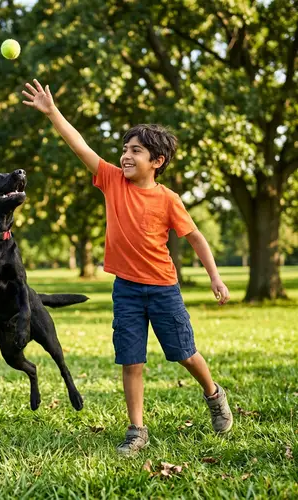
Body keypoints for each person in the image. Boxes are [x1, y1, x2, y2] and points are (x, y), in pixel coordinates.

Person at [22, 79, 233, 455]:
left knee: (184, 353)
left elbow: (197, 237)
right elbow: (80, 146)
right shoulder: (111, 181)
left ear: (157, 161)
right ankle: (137, 430)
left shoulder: (168, 199)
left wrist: (214, 277)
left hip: (164, 289)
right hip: (127, 290)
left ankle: (214, 394)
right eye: (124, 149)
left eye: (136, 150)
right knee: (131, 359)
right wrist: (53, 112)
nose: (126, 155)